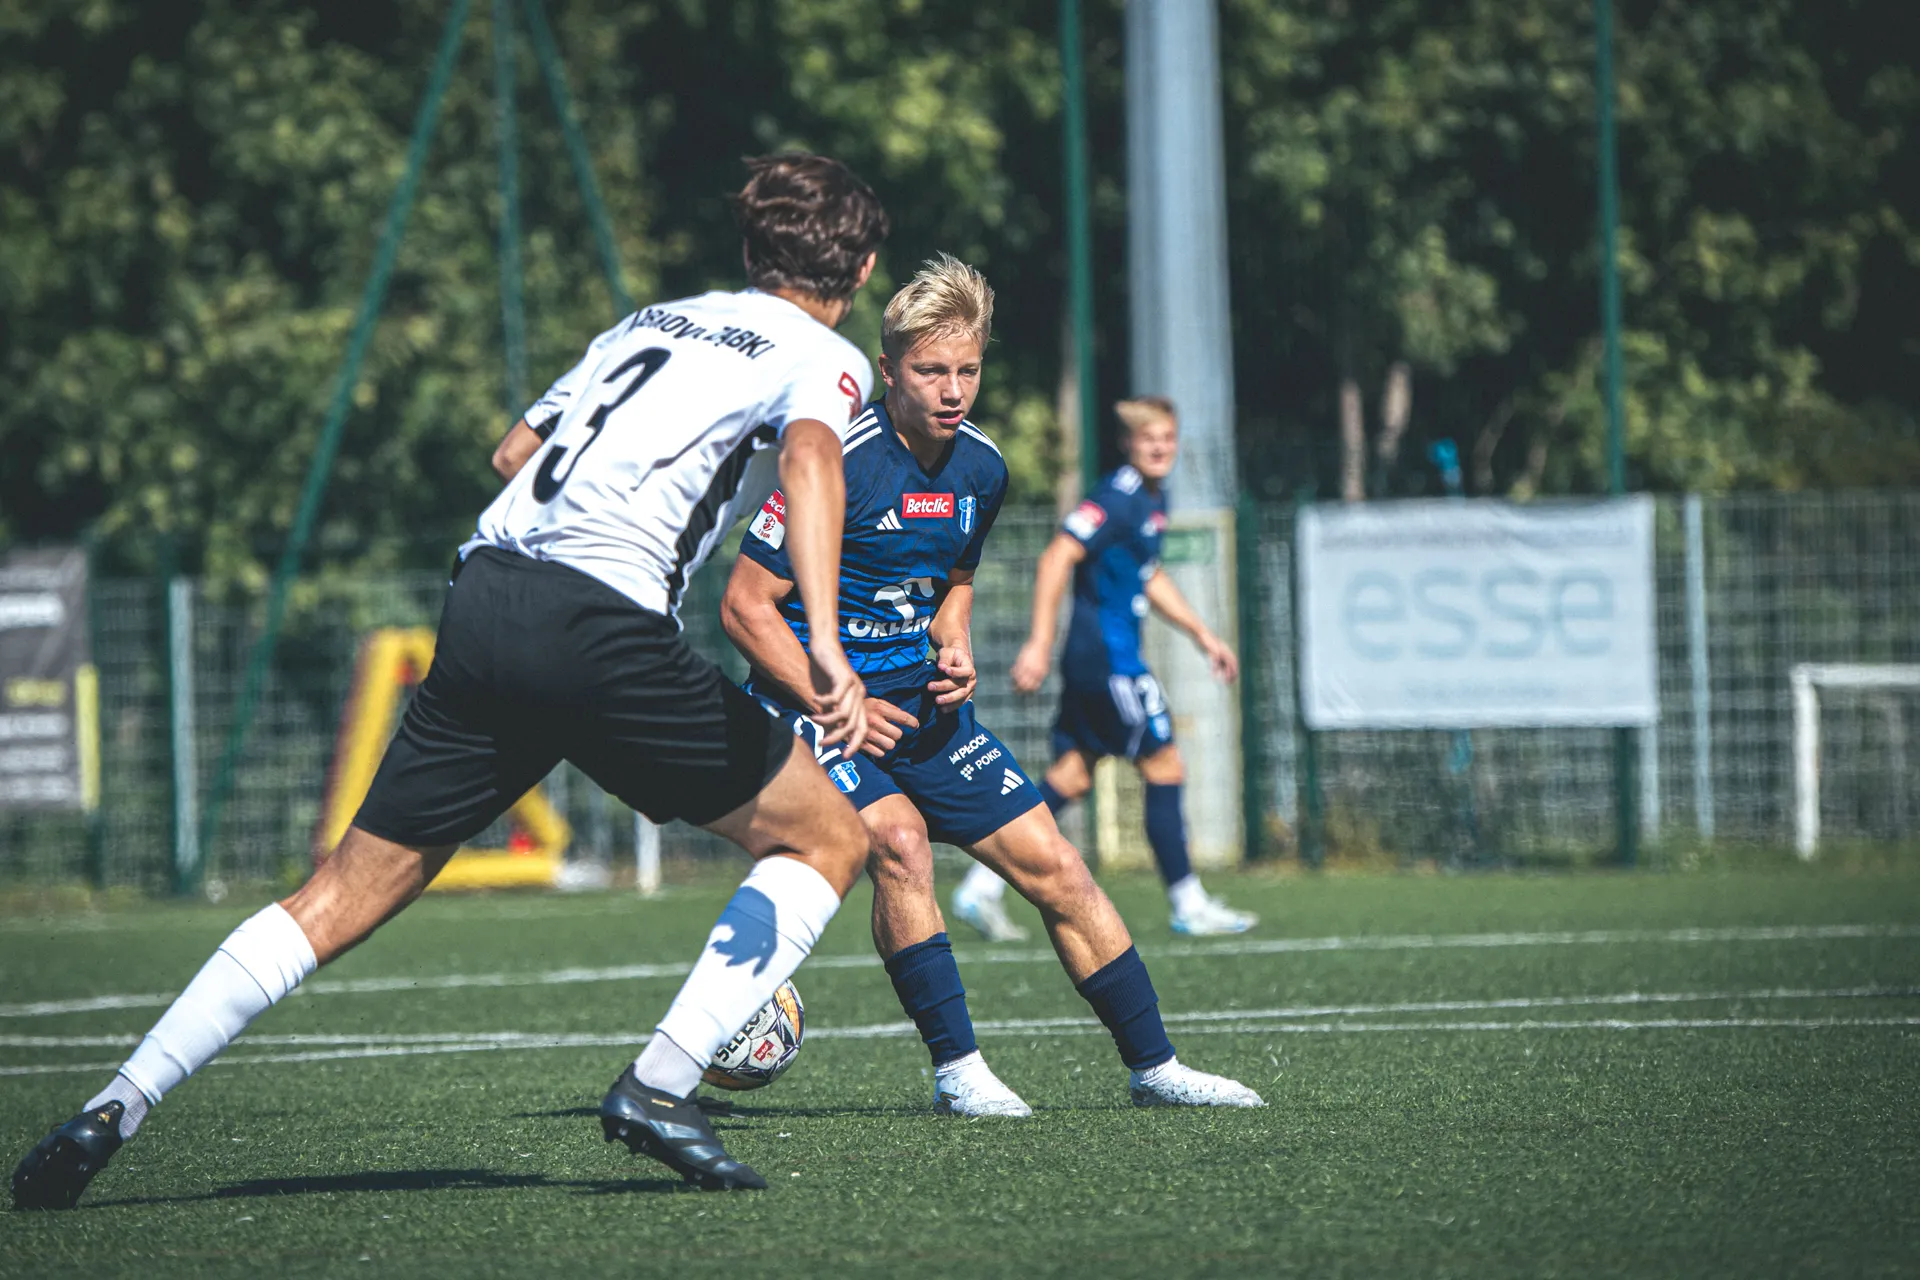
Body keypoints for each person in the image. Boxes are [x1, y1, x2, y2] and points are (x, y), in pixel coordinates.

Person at [11, 153, 888, 1207]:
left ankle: (116, 1101)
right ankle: (661, 1084)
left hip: (488, 596)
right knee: (828, 837)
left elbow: (513, 451)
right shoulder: (825, 355)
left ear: (749, 249)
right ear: (862, 268)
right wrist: (826, 644)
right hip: (599, 623)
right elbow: (812, 462)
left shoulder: (653, 320)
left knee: (339, 892)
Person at [720, 255, 1264, 1116]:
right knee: (900, 842)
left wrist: (956, 635)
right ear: (888, 369)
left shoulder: (982, 468)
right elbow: (746, 608)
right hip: (815, 708)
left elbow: (956, 578)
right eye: (931, 371)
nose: (952, 391)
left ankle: (1156, 1068)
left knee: (1059, 867)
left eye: (967, 371)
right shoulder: (830, 460)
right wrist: (837, 696)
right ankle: (959, 1073)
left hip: (922, 705)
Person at [951, 397, 1257, 940]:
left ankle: (981, 887)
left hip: (1105, 658)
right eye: (1149, 438)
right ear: (1128, 444)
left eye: (1168, 437)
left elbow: (1148, 574)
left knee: (1071, 774)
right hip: (1109, 659)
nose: (1160, 448)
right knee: (1164, 763)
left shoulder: (1152, 499)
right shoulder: (1117, 496)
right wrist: (1039, 642)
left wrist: (1203, 635)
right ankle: (1188, 903)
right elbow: (1056, 556)